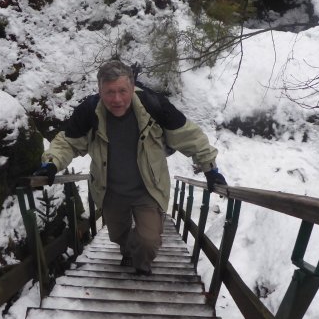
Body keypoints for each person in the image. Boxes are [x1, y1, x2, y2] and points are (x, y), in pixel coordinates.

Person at [32, 59, 226, 275]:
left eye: (123, 91)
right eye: (110, 92)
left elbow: (190, 136)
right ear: (100, 90)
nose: (117, 99)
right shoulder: (89, 112)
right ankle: (129, 250)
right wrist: (50, 164)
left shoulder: (154, 106)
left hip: (148, 188)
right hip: (110, 190)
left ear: (133, 87)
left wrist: (211, 170)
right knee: (117, 235)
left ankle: (141, 265)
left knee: (149, 240)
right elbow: (68, 142)